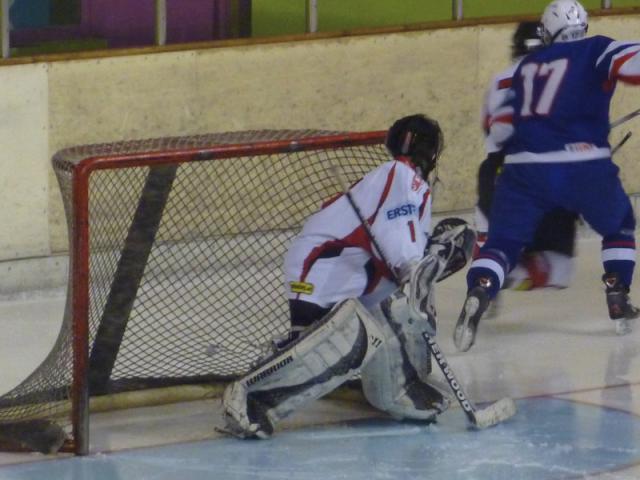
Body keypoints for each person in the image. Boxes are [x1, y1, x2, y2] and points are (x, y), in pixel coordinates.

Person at [220, 114, 475, 439]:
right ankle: (252, 398)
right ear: (432, 151)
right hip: (325, 272)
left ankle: (393, 383)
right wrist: (412, 267)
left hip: (350, 275)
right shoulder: (400, 174)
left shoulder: (402, 181)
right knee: (356, 336)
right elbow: (396, 232)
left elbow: (401, 246)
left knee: (446, 249)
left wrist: (415, 285)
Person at [455, 0, 640, 353]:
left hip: (524, 171)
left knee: (501, 245)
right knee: (619, 227)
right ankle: (618, 294)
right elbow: (631, 60)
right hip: (584, 166)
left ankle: (480, 288)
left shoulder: (527, 67)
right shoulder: (595, 48)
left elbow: (502, 129)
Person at [476, 21, 578, 294]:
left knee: (494, 227)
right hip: (541, 177)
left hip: (495, 176)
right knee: (558, 269)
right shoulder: (554, 79)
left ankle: (489, 255)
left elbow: (490, 129)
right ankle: (518, 269)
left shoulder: (499, 80)